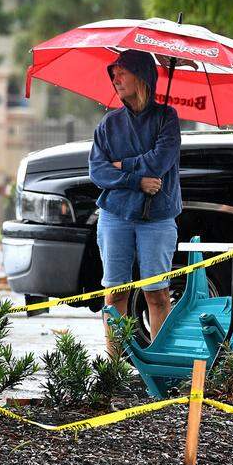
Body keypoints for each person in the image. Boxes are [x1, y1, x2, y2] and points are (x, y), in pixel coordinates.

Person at [88, 49, 182, 352]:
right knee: (115, 294)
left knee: (157, 294)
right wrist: (135, 180)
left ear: (142, 76)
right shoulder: (108, 124)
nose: (115, 79)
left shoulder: (167, 118)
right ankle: (113, 370)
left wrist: (122, 165)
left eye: (122, 73)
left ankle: (160, 365)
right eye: (112, 74)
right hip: (115, 215)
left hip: (158, 218)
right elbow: (98, 171)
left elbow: (159, 161)